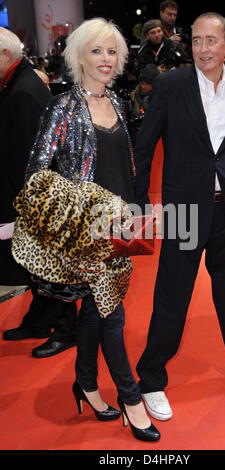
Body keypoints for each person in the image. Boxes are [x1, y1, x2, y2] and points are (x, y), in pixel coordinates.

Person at [18, 18, 160, 442]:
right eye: (96, 50)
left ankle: (86, 383)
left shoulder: (117, 102)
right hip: (88, 230)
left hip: (120, 230)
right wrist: (85, 208)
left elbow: (127, 167)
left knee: (97, 315)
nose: (105, 59)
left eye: (112, 51)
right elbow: (36, 177)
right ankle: (131, 400)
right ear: (78, 55)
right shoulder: (62, 107)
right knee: (112, 316)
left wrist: (136, 211)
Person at [134, 12, 225, 421]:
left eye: (211, 41)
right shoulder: (171, 84)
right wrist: (140, 204)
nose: (202, 50)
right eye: (196, 41)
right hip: (182, 208)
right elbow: (144, 149)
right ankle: (151, 380)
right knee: (172, 294)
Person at [0, 27, 77, 358]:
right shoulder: (19, 84)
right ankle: (38, 321)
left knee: (51, 266)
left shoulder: (24, 91)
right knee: (35, 266)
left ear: (5, 55)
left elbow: (40, 156)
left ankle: (66, 330)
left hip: (38, 197)